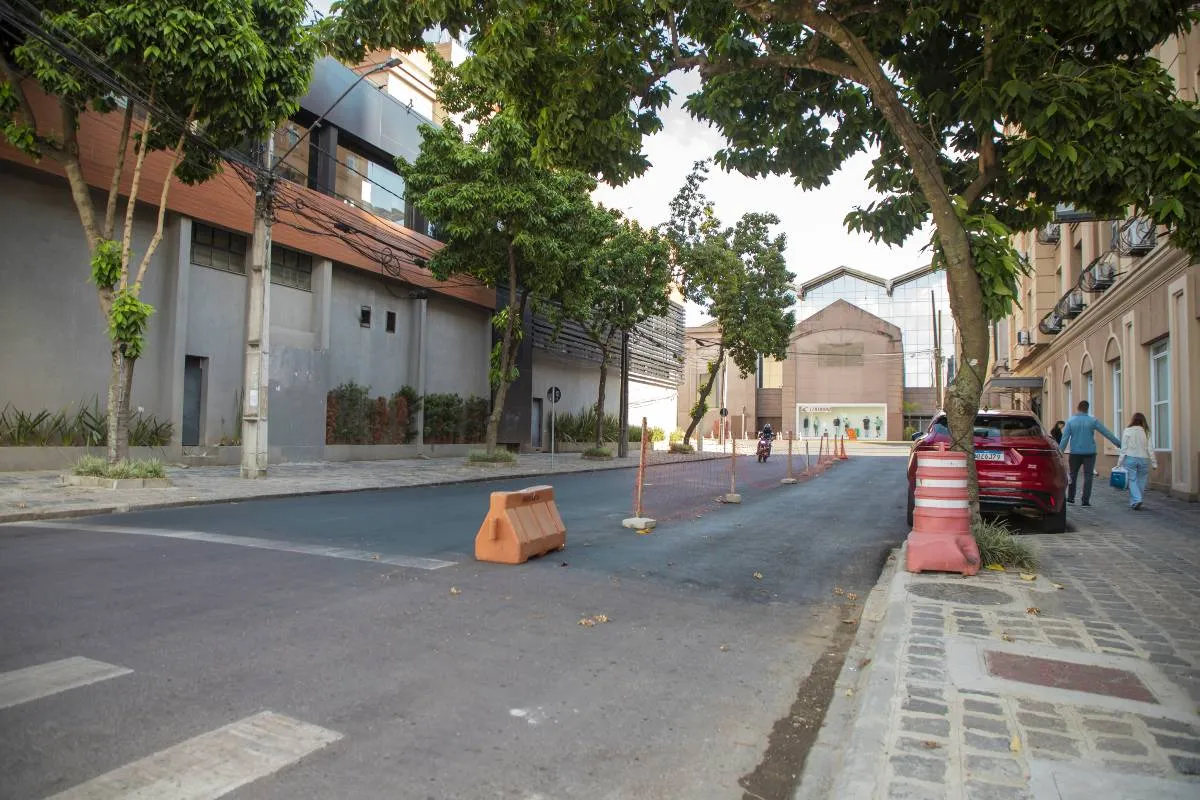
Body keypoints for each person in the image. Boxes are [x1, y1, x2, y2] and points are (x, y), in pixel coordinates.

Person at [1059, 400, 1121, 507]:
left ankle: (1071, 498)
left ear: (1078, 408)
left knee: (1073, 475)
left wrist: (1059, 452)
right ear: (1087, 409)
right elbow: (1106, 432)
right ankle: (1085, 501)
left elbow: (1064, 439)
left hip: (1075, 453)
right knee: (1088, 476)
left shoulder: (1070, 421)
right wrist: (1118, 443)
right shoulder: (1092, 420)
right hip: (1090, 453)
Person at [1117, 412, 1158, 510]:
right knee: (1141, 480)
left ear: (1133, 420)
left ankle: (1137, 499)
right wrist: (1154, 462)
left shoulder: (1127, 431)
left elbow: (1124, 448)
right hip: (1144, 459)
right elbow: (1150, 449)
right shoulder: (1147, 432)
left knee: (1132, 480)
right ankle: (1135, 501)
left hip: (1130, 458)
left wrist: (1119, 462)